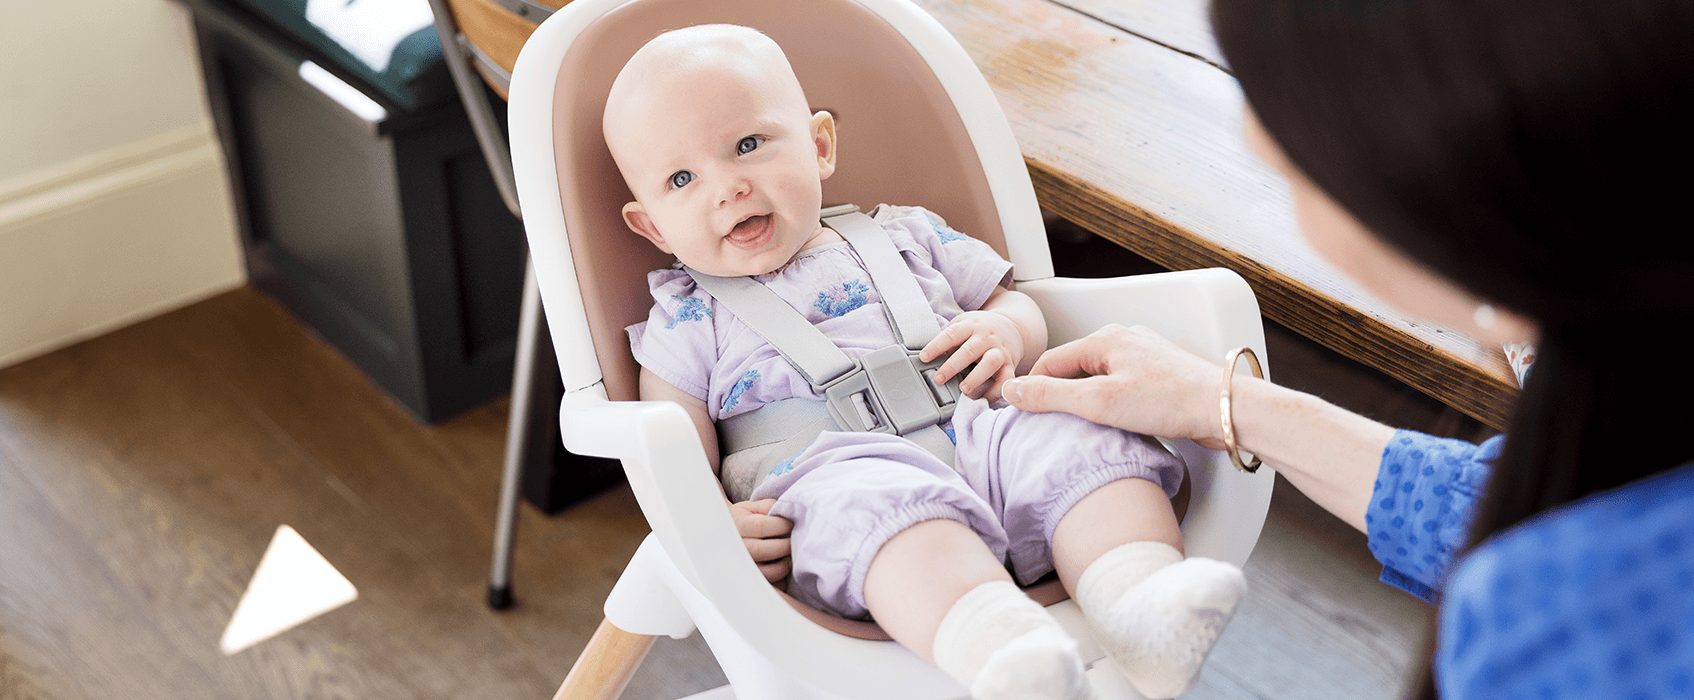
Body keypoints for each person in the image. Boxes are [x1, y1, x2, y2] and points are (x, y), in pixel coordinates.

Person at [998, 0, 1694, 698]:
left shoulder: (1564, 630)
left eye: (1297, 162)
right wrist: (1224, 403)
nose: (1256, 140)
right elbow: (1491, 503)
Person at [603, 24, 1245, 700]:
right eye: (682, 178)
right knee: (874, 511)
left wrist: (1003, 328)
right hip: (836, 472)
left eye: (749, 145)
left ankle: (1141, 600)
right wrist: (708, 521)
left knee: (1073, 433)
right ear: (651, 226)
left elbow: (1016, 303)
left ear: (818, 146)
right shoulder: (685, 316)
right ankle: (1003, 650)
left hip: (985, 424)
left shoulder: (905, 232)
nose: (727, 186)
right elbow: (669, 442)